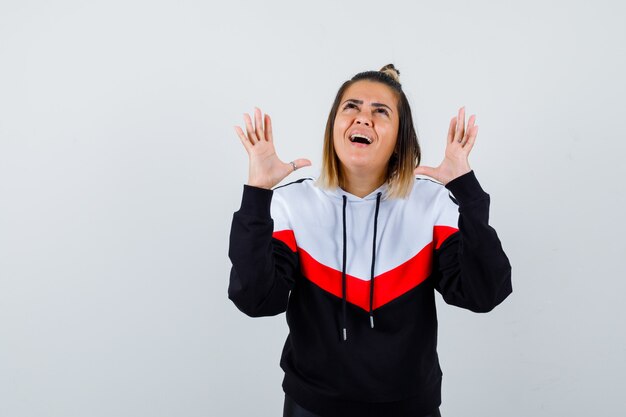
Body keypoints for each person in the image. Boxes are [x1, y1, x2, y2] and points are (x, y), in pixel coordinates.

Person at [228, 64, 512, 417]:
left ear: (400, 138)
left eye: (381, 112)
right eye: (352, 107)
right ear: (334, 125)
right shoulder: (291, 204)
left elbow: (484, 294)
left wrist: (466, 192)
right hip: (312, 406)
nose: (363, 118)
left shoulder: (432, 204)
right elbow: (257, 300)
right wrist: (257, 193)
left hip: (410, 406)